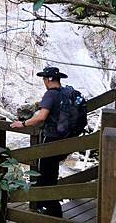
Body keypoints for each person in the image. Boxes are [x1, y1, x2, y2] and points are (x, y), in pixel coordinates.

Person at [10, 66, 71, 218]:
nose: (43, 81)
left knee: (44, 178)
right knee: (51, 175)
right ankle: (48, 211)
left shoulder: (50, 94)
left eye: (44, 78)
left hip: (50, 140)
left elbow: (41, 117)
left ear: (49, 79)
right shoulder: (65, 93)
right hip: (64, 139)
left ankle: (54, 214)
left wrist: (22, 124)